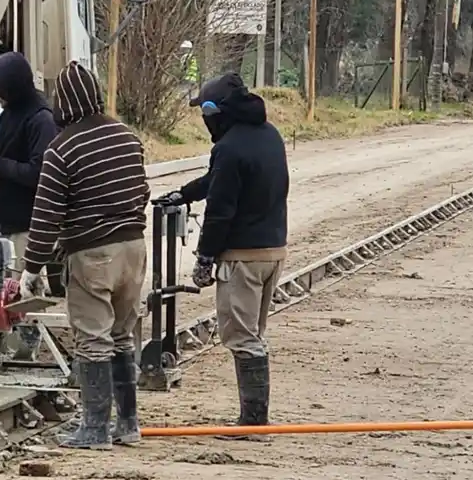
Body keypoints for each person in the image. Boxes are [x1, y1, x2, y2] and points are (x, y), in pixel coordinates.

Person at [19, 60, 151, 449]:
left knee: (93, 340)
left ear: (62, 102)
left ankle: (94, 429)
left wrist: (32, 268)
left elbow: (46, 214)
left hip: (93, 254)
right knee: (122, 336)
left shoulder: (62, 148)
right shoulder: (127, 136)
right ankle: (128, 424)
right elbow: (142, 191)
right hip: (134, 248)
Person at [156, 72, 289, 432]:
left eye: (205, 113)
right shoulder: (269, 135)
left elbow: (220, 210)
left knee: (242, 337)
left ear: (217, 113)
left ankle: (253, 422)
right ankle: (254, 418)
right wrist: (184, 193)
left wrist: (205, 257)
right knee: (254, 333)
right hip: (272, 250)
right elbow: (218, 180)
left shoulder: (228, 148)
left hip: (242, 257)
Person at [0, 51, 58, 358]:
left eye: (0, 88)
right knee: (3, 289)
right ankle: (8, 345)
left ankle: (26, 350)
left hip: (27, 222)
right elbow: (6, 157)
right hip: (4, 219)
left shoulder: (41, 119)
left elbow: (38, 173)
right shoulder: (9, 115)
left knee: (23, 290)